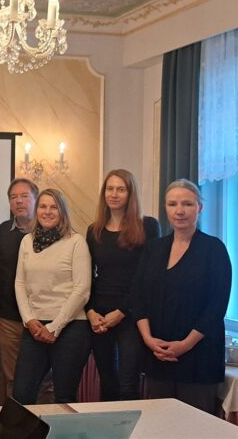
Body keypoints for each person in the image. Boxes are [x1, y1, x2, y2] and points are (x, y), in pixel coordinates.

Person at [131, 179, 232, 413]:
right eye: (172, 204)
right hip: (157, 354)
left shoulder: (214, 249)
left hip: (199, 357)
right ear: (165, 208)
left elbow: (216, 307)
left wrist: (185, 345)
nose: (179, 211)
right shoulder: (153, 249)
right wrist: (148, 339)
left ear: (199, 207)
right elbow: (137, 297)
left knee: (195, 427)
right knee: (160, 424)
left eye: (187, 204)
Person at [85, 169, 160, 401]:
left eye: (120, 189)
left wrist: (121, 311)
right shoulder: (94, 230)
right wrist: (90, 311)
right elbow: (88, 275)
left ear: (130, 193)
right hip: (100, 315)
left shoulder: (148, 226)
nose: (114, 194)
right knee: (107, 383)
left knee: (128, 385)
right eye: (110, 189)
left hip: (132, 315)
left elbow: (148, 276)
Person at [12, 188, 92, 404]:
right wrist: (29, 319)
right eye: (43, 206)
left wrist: (55, 326)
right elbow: (20, 283)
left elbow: (82, 290)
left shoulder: (76, 242)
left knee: (64, 397)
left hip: (70, 328)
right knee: (21, 394)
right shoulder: (27, 241)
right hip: (35, 327)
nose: (47, 212)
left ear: (62, 211)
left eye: (53, 207)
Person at [0, 178, 38, 398]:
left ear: (36, 199)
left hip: (42, 317)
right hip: (9, 317)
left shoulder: (50, 231)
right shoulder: (3, 231)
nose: (18, 201)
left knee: (44, 380)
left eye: (24, 196)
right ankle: (15, 419)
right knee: (12, 378)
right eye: (13, 197)